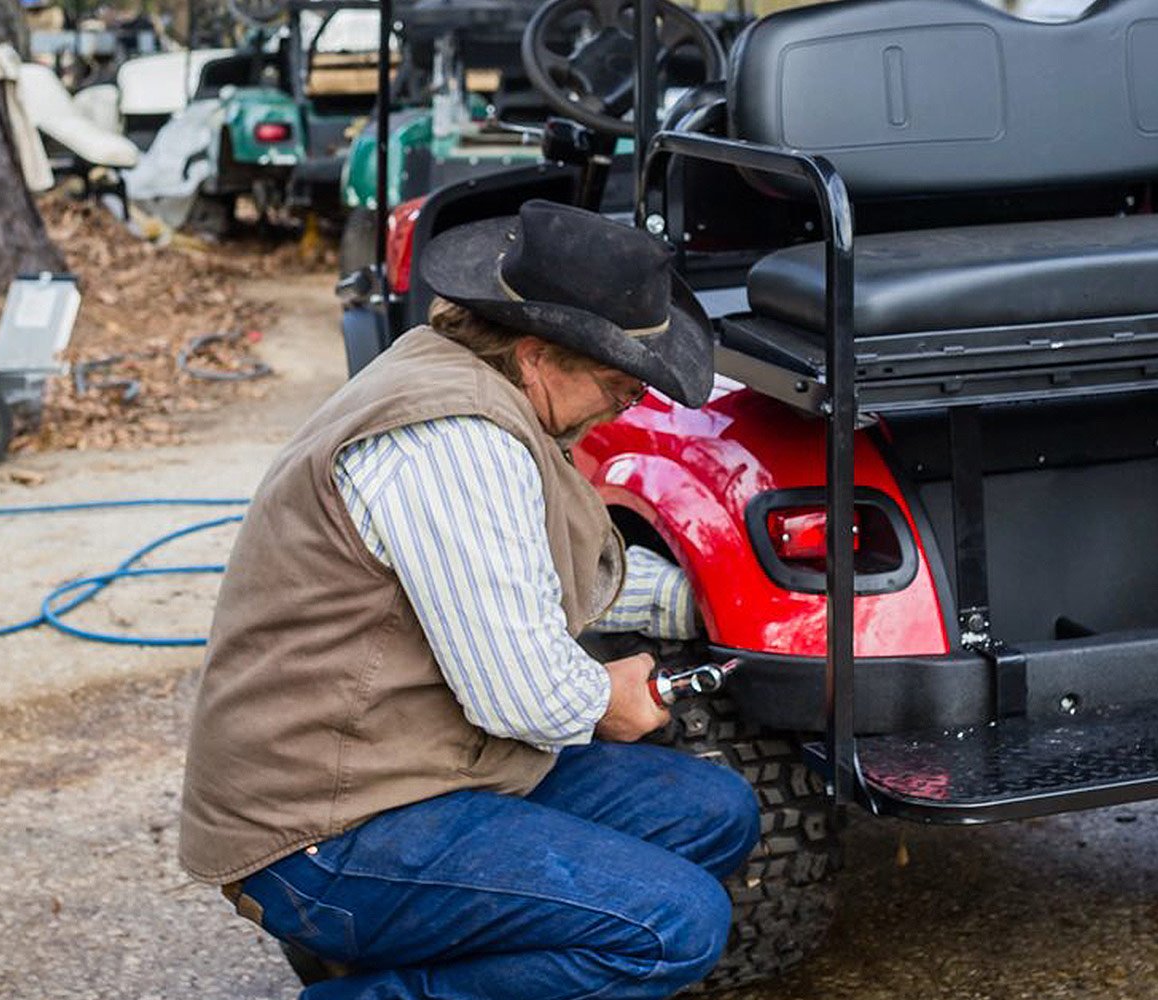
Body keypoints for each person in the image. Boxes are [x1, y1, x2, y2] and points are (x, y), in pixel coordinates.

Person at [179, 200, 761, 1000]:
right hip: (325, 827)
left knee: (713, 810)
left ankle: (409, 954)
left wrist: (706, 604)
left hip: (414, 767)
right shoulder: (455, 439)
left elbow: (518, 582)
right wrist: (608, 697)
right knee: (674, 926)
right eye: (618, 386)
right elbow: (525, 696)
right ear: (535, 357)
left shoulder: (464, 377)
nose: (622, 407)